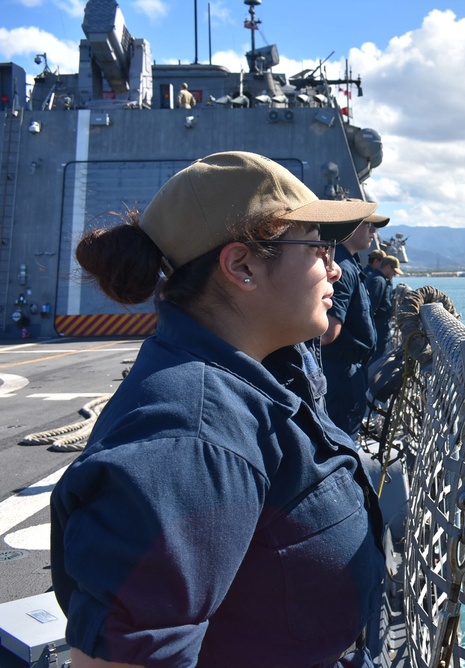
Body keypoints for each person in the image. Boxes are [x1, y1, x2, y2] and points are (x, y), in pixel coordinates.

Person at [50, 151, 385, 668]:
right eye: (318, 247)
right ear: (242, 266)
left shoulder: (254, 378)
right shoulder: (192, 437)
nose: (336, 268)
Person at [320, 216, 384, 439]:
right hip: (340, 372)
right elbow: (328, 332)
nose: (373, 231)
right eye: (369, 225)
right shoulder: (344, 268)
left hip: (347, 369)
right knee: (342, 438)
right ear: (350, 227)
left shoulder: (350, 264)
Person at [365, 254, 403, 362]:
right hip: (379, 326)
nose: (394, 274)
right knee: (377, 357)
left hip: (378, 325)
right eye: (394, 271)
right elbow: (372, 306)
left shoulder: (375, 277)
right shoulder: (379, 281)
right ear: (388, 267)